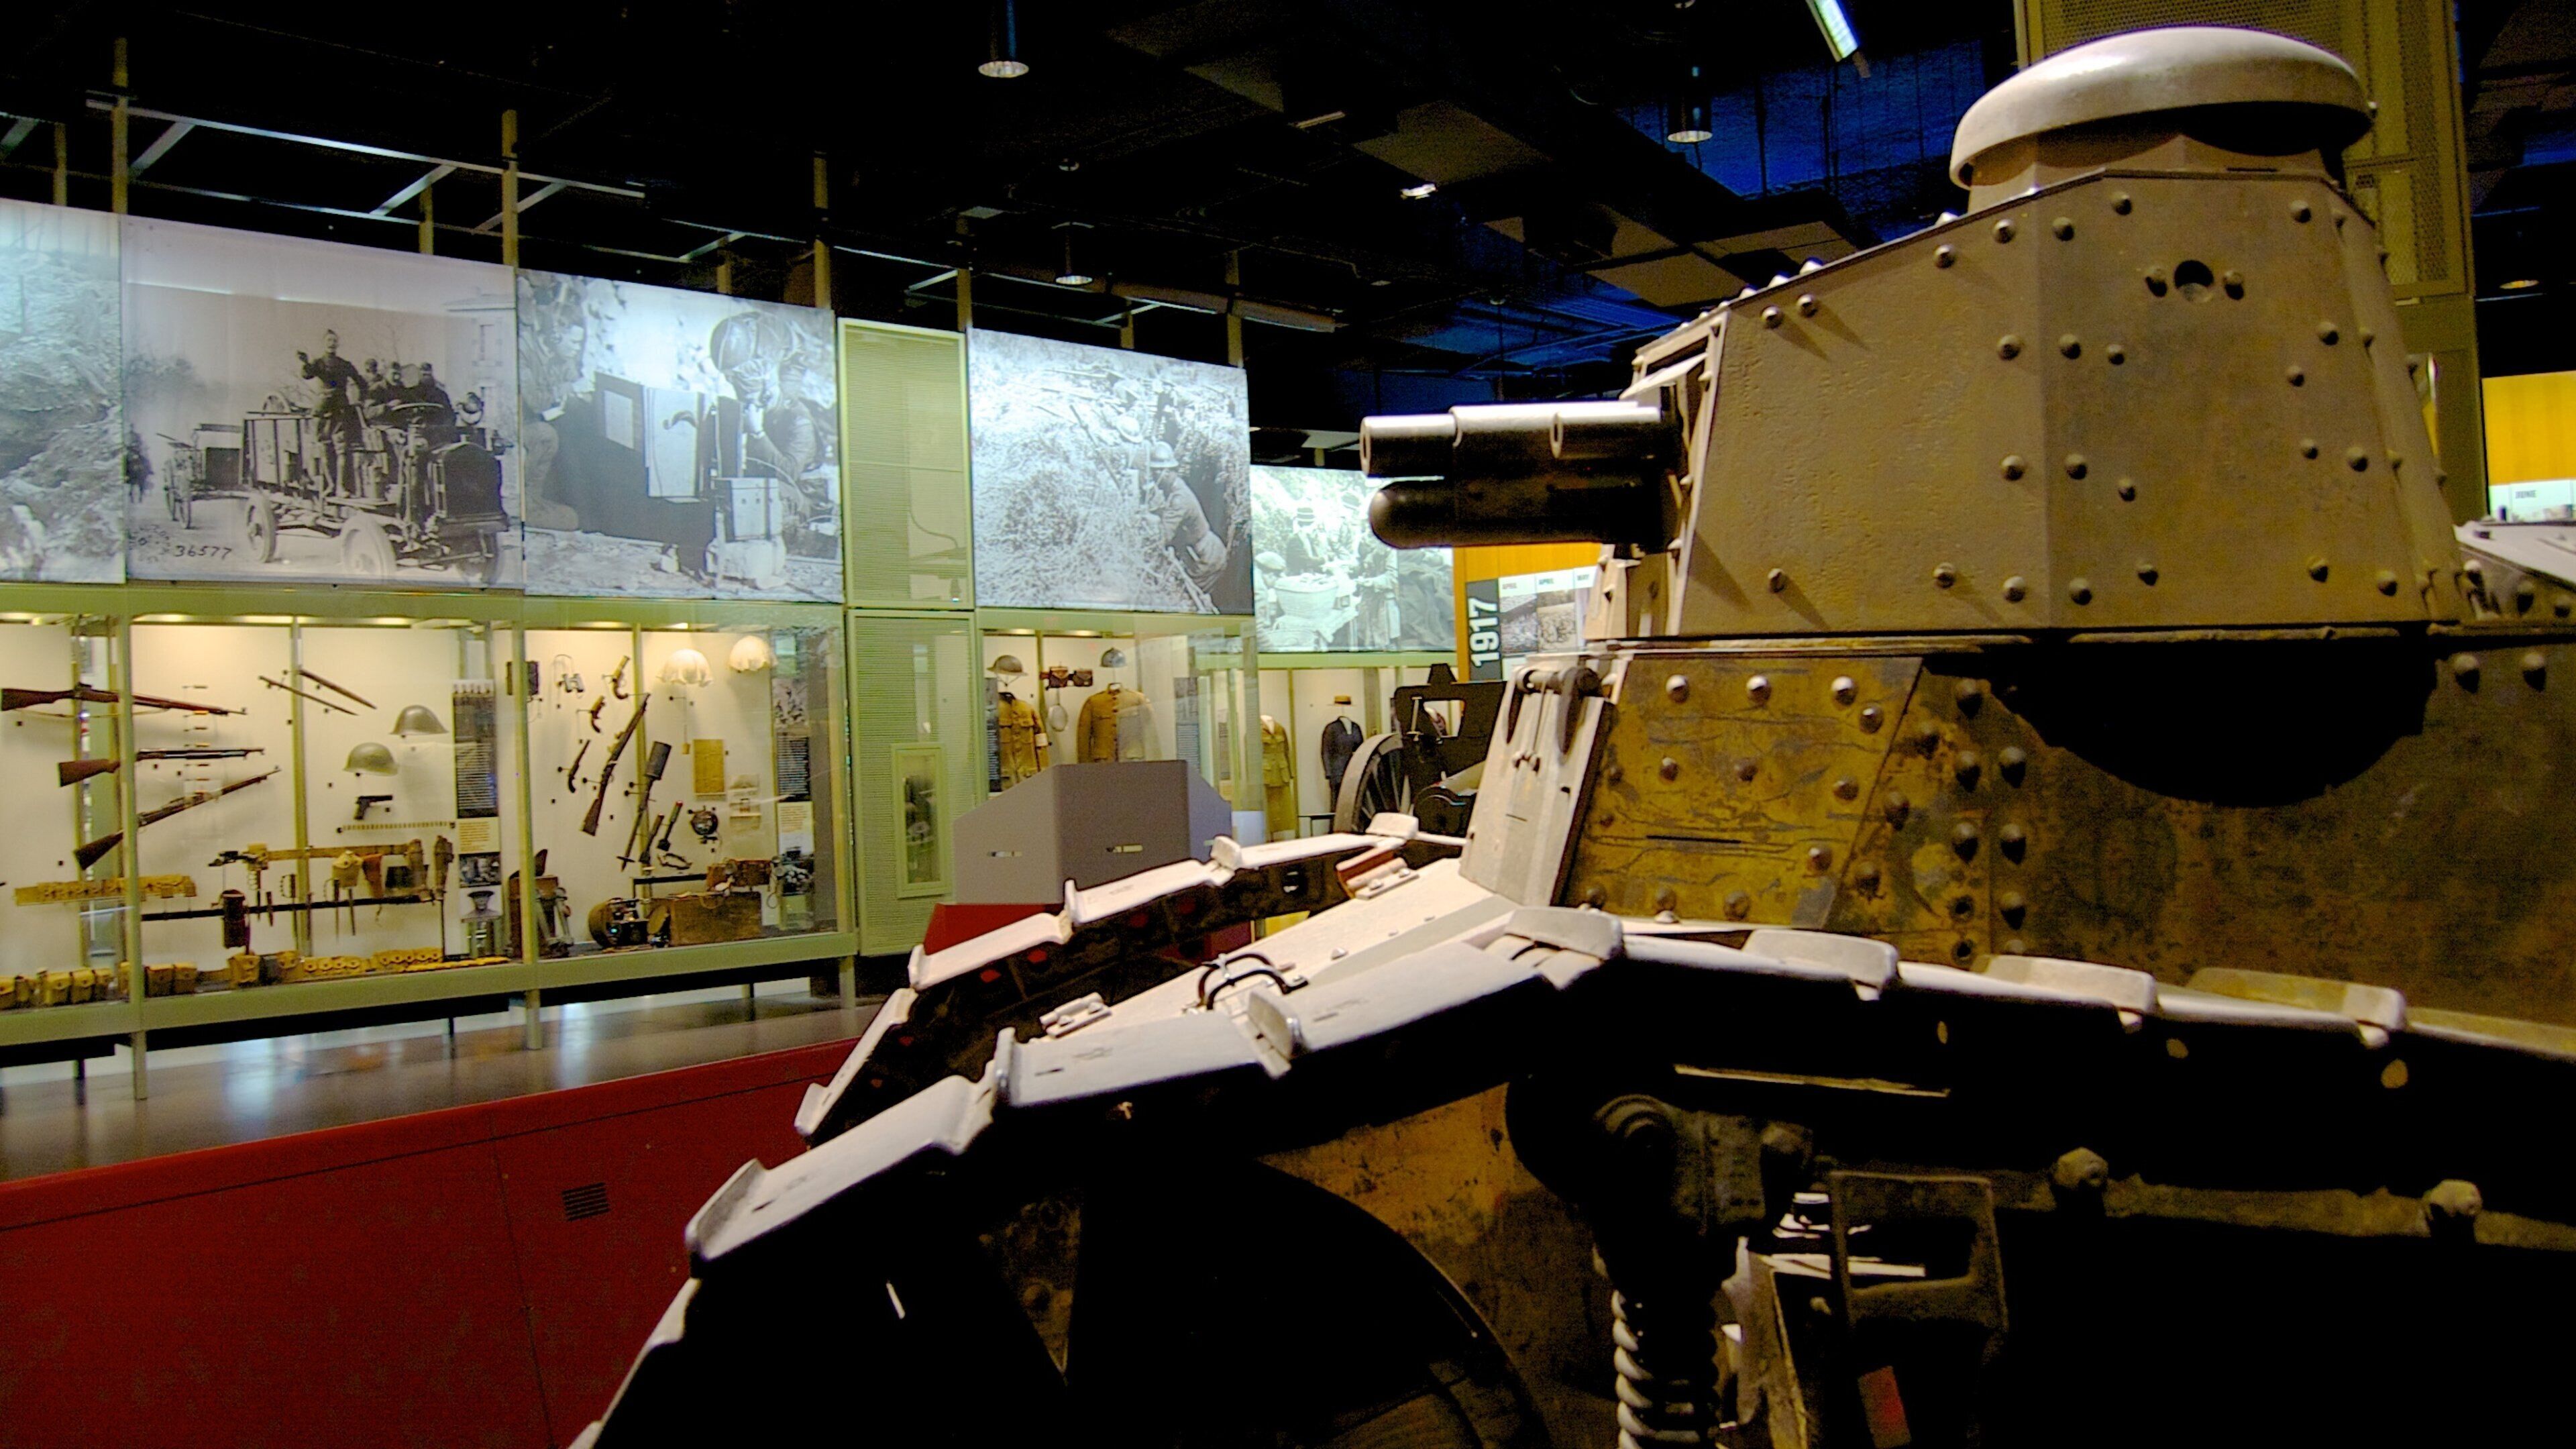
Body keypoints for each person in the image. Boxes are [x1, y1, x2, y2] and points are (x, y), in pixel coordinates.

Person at [1148, 441, 1228, 599]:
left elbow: (1164, 537)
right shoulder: (1176, 486)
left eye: (1155, 472)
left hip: (1206, 557)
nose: (1152, 477)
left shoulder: (1179, 499)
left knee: (1188, 598)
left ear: (1166, 472)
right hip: (1201, 550)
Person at [297, 329, 364, 494]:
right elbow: (307, 374)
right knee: (325, 448)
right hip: (323, 409)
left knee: (342, 448)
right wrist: (305, 363)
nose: (332, 343)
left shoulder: (345, 364)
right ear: (324, 343)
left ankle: (340, 486)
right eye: (329, 340)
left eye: (334, 340)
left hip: (340, 409)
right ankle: (331, 485)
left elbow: (361, 382)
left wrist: (360, 401)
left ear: (338, 344)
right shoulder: (318, 363)